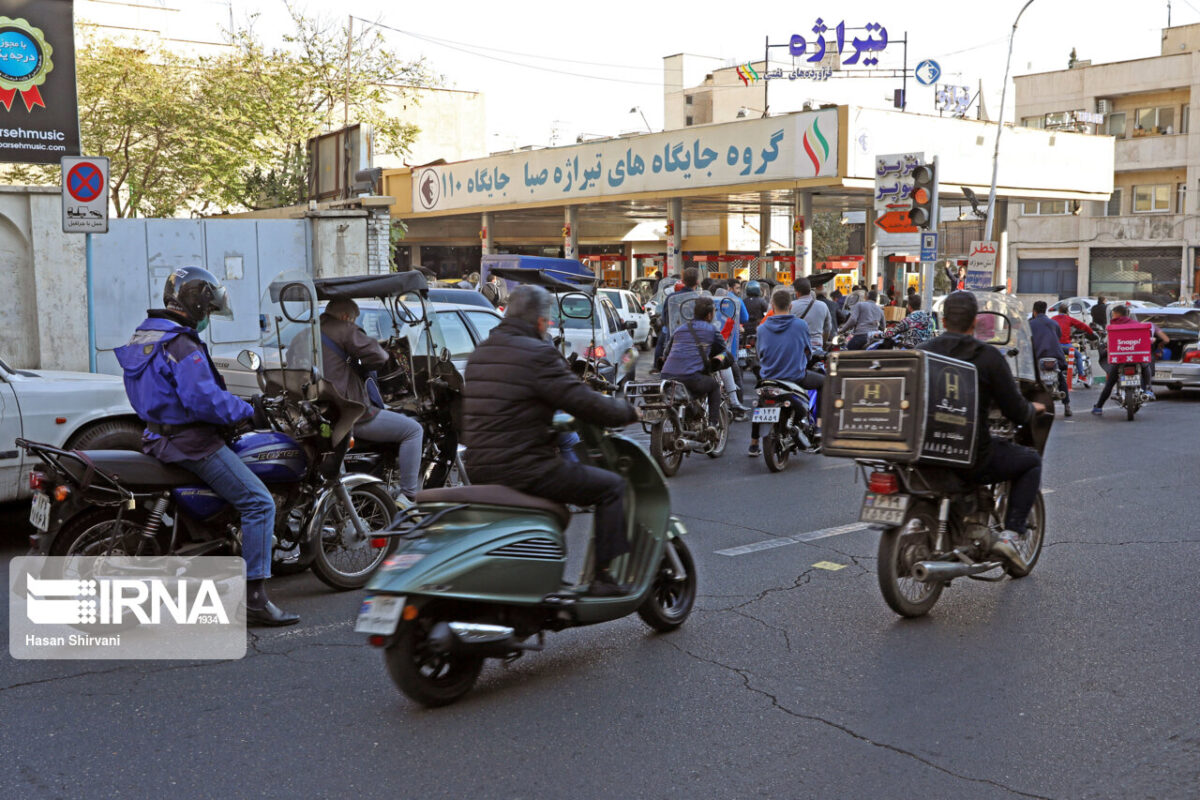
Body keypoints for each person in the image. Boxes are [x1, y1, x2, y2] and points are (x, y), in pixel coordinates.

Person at [114, 267, 298, 627]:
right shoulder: (181, 343)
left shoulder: (146, 336)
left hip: (157, 435)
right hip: (191, 442)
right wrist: (247, 409)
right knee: (259, 503)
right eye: (208, 310)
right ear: (196, 304)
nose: (208, 317)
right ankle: (255, 599)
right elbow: (204, 401)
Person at [462, 285, 639, 596]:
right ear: (541, 321)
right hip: (525, 467)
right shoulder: (539, 353)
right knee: (612, 488)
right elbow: (582, 401)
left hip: (478, 468)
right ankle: (604, 579)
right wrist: (626, 411)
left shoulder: (482, 352)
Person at [918, 291, 1047, 564]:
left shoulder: (923, 352)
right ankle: (1011, 535)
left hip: (924, 450)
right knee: (1030, 461)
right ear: (975, 322)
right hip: (970, 454)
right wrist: (1031, 409)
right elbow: (1014, 409)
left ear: (942, 320)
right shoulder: (987, 356)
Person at [319, 297, 424, 501]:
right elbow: (379, 356)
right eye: (354, 320)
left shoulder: (305, 334)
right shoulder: (345, 330)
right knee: (414, 430)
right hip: (349, 414)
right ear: (345, 317)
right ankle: (409, 495)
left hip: (319, 415)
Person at [749, 289, 825, 457]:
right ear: (790, 306)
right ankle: (819, 426)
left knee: (761, 403)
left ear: (772, 306)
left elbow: (759, 353)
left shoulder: (762, 328)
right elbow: (808, 351)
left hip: (769, 377)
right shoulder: (800, 325)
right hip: (795, 377)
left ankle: (754, 443)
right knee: (824, 383)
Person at [660, 295, 726, 432]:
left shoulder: (680, 329)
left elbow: (665, 354)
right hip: (690, 378)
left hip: (666, 377)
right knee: (714, 386)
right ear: (709, 315)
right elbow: (723, 349)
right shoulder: (711, 330)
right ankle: (713, 425)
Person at [1092, 305, 1169, 413]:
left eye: (1113, 314)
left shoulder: (1113, 325)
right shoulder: (1136, 324)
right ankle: (1148, 389)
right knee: (1146, 365)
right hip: (1137, 357)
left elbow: (1109, 342)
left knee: (1110, 383)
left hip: (1120, 359)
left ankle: (1099, 407)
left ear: (1116, 314)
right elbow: (1146, 338)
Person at [1030, 301, 1071, 417]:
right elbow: (1058, 337)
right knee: (1061, 379)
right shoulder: (1054, 323)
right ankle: (1067, 405)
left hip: (1038, 356)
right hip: (1055, 356)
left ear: (1034, 311)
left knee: (1031, 380)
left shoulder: (1030, 324)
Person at [1051, 304, 1098, 387]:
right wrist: (1091, 332)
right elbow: (1082, 325)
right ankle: (1081, 375)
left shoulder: (1053, 319)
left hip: (1055, 346)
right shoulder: (1069, 319)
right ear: (1067, 311)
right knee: (1078, 355)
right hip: (1065, 345)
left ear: (1059, 311)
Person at [789, 277, 834, 351]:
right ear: (810, 290)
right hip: (817, 349)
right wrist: (823, 342)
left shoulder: (791, 306)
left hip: (797, 349)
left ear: (797, 292)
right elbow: (827, 329)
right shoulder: (823, 306)